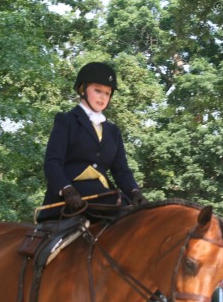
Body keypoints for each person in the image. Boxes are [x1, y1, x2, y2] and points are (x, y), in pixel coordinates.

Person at [38, 62, 146, 222]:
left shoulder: (113, 131)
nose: (103, 97)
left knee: (137, 212)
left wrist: (134, 191)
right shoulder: (66, 121)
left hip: (102, 194)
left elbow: (121, 170)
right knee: (119, 205)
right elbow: (52, 163)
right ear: (82, 89)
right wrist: (66, 189)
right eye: (98, 90)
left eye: (108, 93)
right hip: (71, 197)